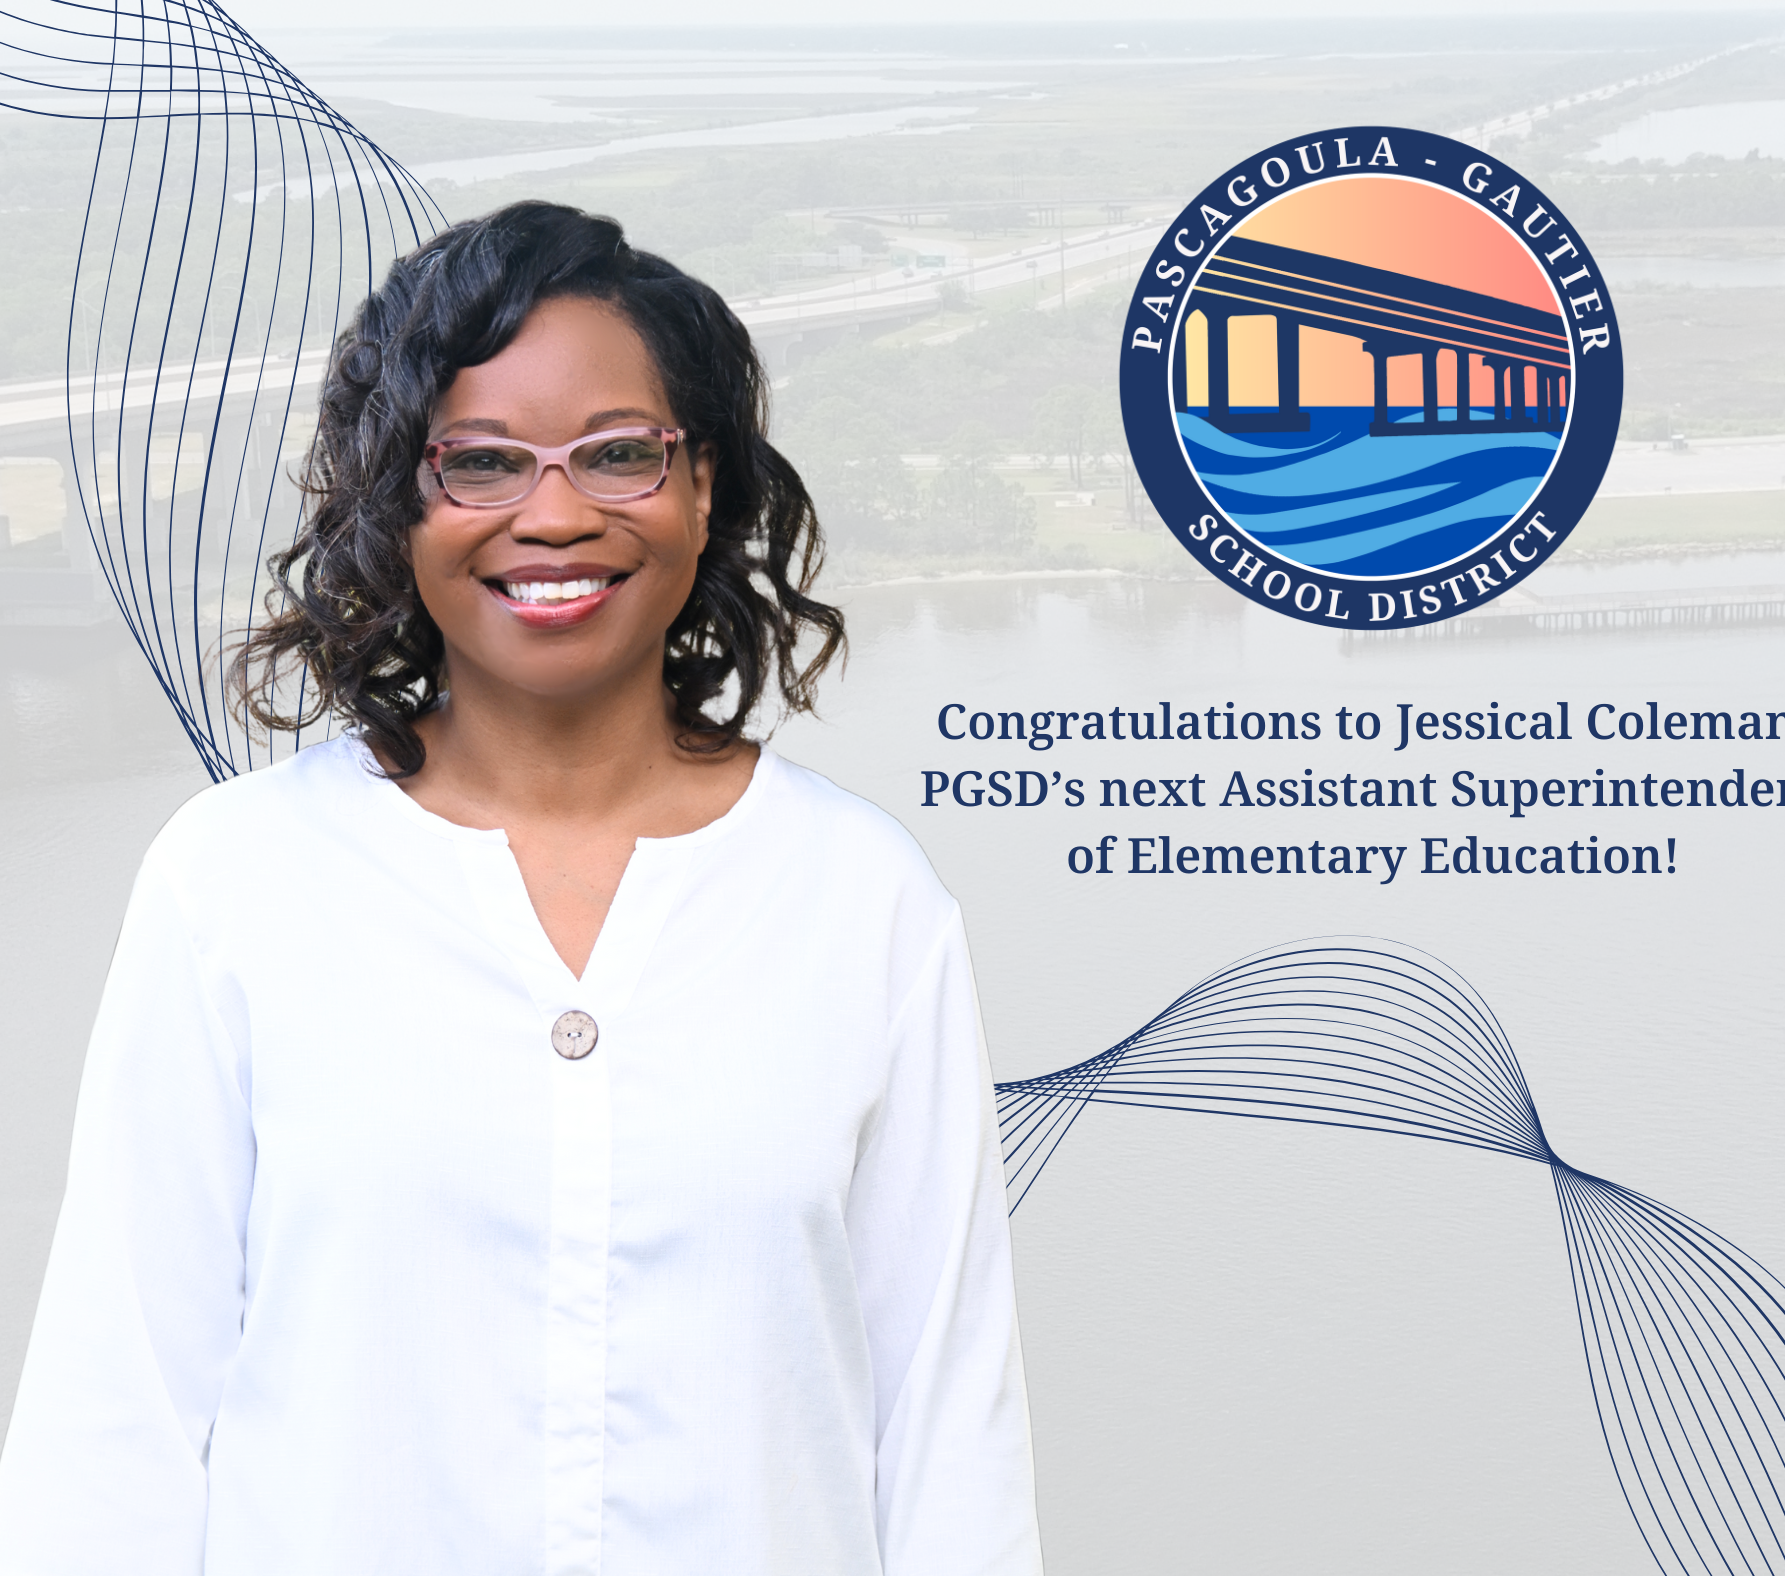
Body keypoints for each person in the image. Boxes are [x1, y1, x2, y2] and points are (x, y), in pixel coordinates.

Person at [0, 201, 1043, 1576]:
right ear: (398, 500)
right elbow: (113, 1421)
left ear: (705, 487)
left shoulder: (862, 899)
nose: (555, 515)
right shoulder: (236, 882)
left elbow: (947, 1431)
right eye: (481, 463)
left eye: (620, 456)